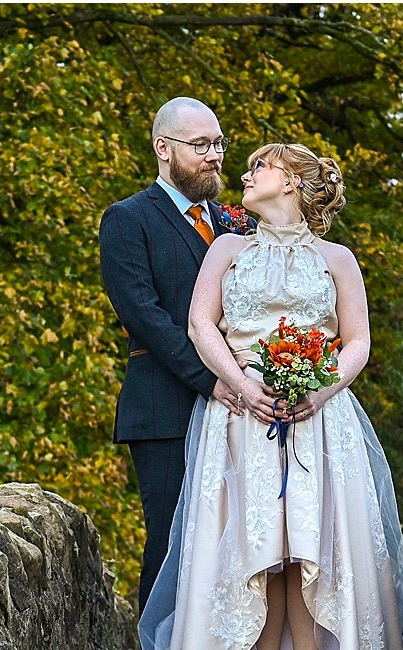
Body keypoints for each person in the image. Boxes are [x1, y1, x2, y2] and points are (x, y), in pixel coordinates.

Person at [134, 142, 403, 650]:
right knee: (258, 551)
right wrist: (237, 385)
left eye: (259, 166)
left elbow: (358, 341)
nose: (245, 173)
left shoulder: (338, 259)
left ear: (290, 182)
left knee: (307, 550)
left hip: (319, 418)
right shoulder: (227, 250)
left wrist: (322, 386)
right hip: (240, 417)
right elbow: (199, 324)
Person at [100, 97, 278, 611]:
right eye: (200, 145)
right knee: (173, 542)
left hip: (242, 410)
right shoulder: (128, 219)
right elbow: (144, 315)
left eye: (219, 144)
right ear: (163, 147)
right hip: (164, 410)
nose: (215, 155)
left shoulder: (236, 224)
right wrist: (213, 379)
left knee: (239, 542)